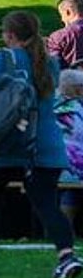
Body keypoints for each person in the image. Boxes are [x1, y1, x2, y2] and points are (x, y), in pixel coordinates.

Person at [0, 10, 82, 278]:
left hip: (2, 140)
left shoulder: (2, 58)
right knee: (47, 204)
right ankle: (66, 256)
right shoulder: (50, 63)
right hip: (44, 142)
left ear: (9, 35)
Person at [55, 68, 83, 228]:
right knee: (72, 185)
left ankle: (62, 229)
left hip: (50, 163)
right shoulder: (77, 108)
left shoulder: (51, 103)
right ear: (76, 88)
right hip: (73, 166)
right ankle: (65, 228)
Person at [48, 0, 83, 69]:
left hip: (72, 75)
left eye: (61, 15)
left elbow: (55, 67)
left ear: (68, 12)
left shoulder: (58, 37)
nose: (62, 20)